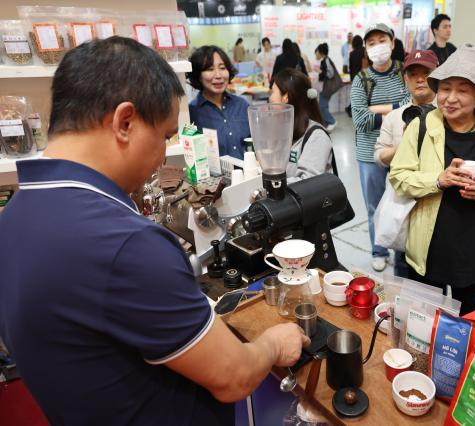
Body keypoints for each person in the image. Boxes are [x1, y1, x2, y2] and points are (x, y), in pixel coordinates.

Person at [0, 37, 309, 425]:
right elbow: (235, 377)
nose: (164, 155)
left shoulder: (11, 218)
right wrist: (274, 343)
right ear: (124, 122)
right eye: (164, 136)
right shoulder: (126, 242)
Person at [389, 44, 475, 315]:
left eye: (462, 90)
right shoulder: (421, 127)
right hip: (426, 252)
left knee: (467, 325)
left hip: (473, 253)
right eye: (444, 88)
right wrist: (438, 179)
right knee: (422, 325)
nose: (450, 98)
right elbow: (399, 178)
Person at [374, 49, 438, 277]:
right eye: (413, 74)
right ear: (406, 79)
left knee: (438, 268)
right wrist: (402, 146)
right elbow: (379, 156)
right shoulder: (394, 117)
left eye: (426, 72)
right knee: (405, 269)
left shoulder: (448, 115)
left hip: (437, 203)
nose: (420, 79)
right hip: (404, 203)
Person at [351, 23, 409, 272]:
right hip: (368, 153)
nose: (377, 47)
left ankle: (402, 251)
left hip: (402, 150)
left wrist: (378, 108)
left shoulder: (404, 72)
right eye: (371, 43)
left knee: (403, 202)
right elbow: (360, 120)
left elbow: (413, 104)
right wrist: (396, 109)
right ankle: (379, 250)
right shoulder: (361, 80)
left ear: (392, 43)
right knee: (374, 205)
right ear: (365, 48)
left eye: (382, 40)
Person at [187, 45, 250, 160]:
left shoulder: (242, 105)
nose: (218, 75)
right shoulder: (191, 113)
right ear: (198, 75)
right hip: (213, 178)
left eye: (222, 68)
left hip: (248, 176)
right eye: (210, 69)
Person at [270, 69, 333, 183]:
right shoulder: (282, 130)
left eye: (272, 92)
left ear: (286, 97)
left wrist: (270, 184)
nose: (270, 98)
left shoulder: (317, 137)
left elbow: (307, 184)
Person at [315, 42, 339, 132]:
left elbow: (330, 73)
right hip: (325, 87)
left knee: (322, 106)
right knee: (324, 105)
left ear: (320, 52)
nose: (316, 53)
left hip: (326, 87)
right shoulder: (324, 60)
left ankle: (332, 121)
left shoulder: (326, 60)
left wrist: (321, 72)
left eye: (317, 51)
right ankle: (327, 123)